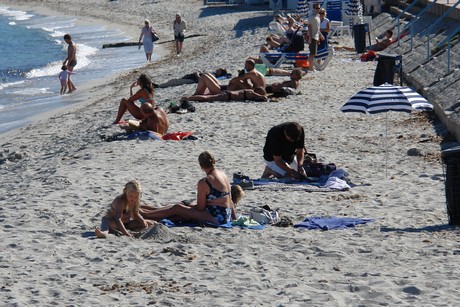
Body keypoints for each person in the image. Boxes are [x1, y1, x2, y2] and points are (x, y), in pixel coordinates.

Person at [139, 151, 236, 225]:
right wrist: (234, 218)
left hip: (214, 217)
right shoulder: (223, 175)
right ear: (214, 161)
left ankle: (144, 214)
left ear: (201, 166)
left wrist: (190, 207)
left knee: (177, 208)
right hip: (226, 215)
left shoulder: (205, 182)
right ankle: (141, 208)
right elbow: (230, 200)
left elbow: (200, 207)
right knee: (178, 208)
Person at [182, 87, 268, 103]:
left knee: (209, 98)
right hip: (228, 95)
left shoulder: (251, 94)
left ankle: (189, 98)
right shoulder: (251, 92)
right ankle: (188, 98)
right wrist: (263, 96)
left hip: (228, 95)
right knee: (208, 98)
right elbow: (261, 96)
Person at [307, 3, 323, 71]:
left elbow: (318, 28)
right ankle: (310, 67)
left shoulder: (318, 16)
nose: (318, 9)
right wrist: (310, 38)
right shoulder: (311, 17)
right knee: (312, 53)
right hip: (312, 36)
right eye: (316, 8)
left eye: (319, 8)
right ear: (313, 8)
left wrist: (320, 35)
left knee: (314, 53)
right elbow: (309, 27)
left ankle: (311, 66)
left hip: (316, 36)